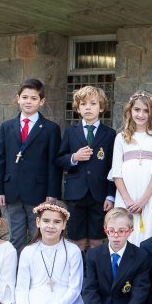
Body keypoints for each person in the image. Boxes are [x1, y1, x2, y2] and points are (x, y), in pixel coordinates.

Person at [0, 78, 62, 251]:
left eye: (33, 98)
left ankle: (36, 269)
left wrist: (52, 193)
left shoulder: (50, 128)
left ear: (42, 101)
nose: (28, 101)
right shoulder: (7, 127)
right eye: (24, 97)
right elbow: (0, 159)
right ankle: (16, 269)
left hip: (38, 191)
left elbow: (53, 163)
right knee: (16, 237)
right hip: (12, 191)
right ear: (18, 99)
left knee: (37, 235)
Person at [56, 85, 116, 250]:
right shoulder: (71, 132)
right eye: (83, 104)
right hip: (76, 194)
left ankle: (94, 267)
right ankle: (78, 266)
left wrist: (110, 196)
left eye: (93, 103)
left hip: (100, 195)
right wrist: (74, 157)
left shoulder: (110, 134)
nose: (88, 107)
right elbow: (60, 159)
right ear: (78, 108)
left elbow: (113, 167)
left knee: (97, 239)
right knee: (77, 240)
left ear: (101, 107)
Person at [107, 91, 152, 246]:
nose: (141, 114)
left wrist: (144, 200)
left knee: (150, 228)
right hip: (126, 194)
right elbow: (116, 172)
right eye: (137, 110)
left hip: (150, 194)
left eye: (146, 111)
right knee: (125, 226)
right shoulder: (121, 138)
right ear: (130, 110)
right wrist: (127, 200)